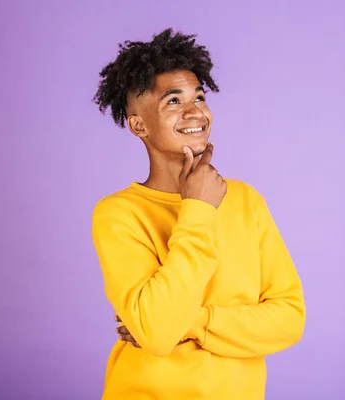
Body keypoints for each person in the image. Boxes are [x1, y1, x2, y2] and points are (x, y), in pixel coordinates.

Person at [91, 28, 306, 400]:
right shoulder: (118, 214)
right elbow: (157, 333)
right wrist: (198, 209)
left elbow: (289, 320)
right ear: (138, 124)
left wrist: (190, 323)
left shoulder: (244, 200)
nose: (195, 112)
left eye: (199, 97)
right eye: (173, 102)